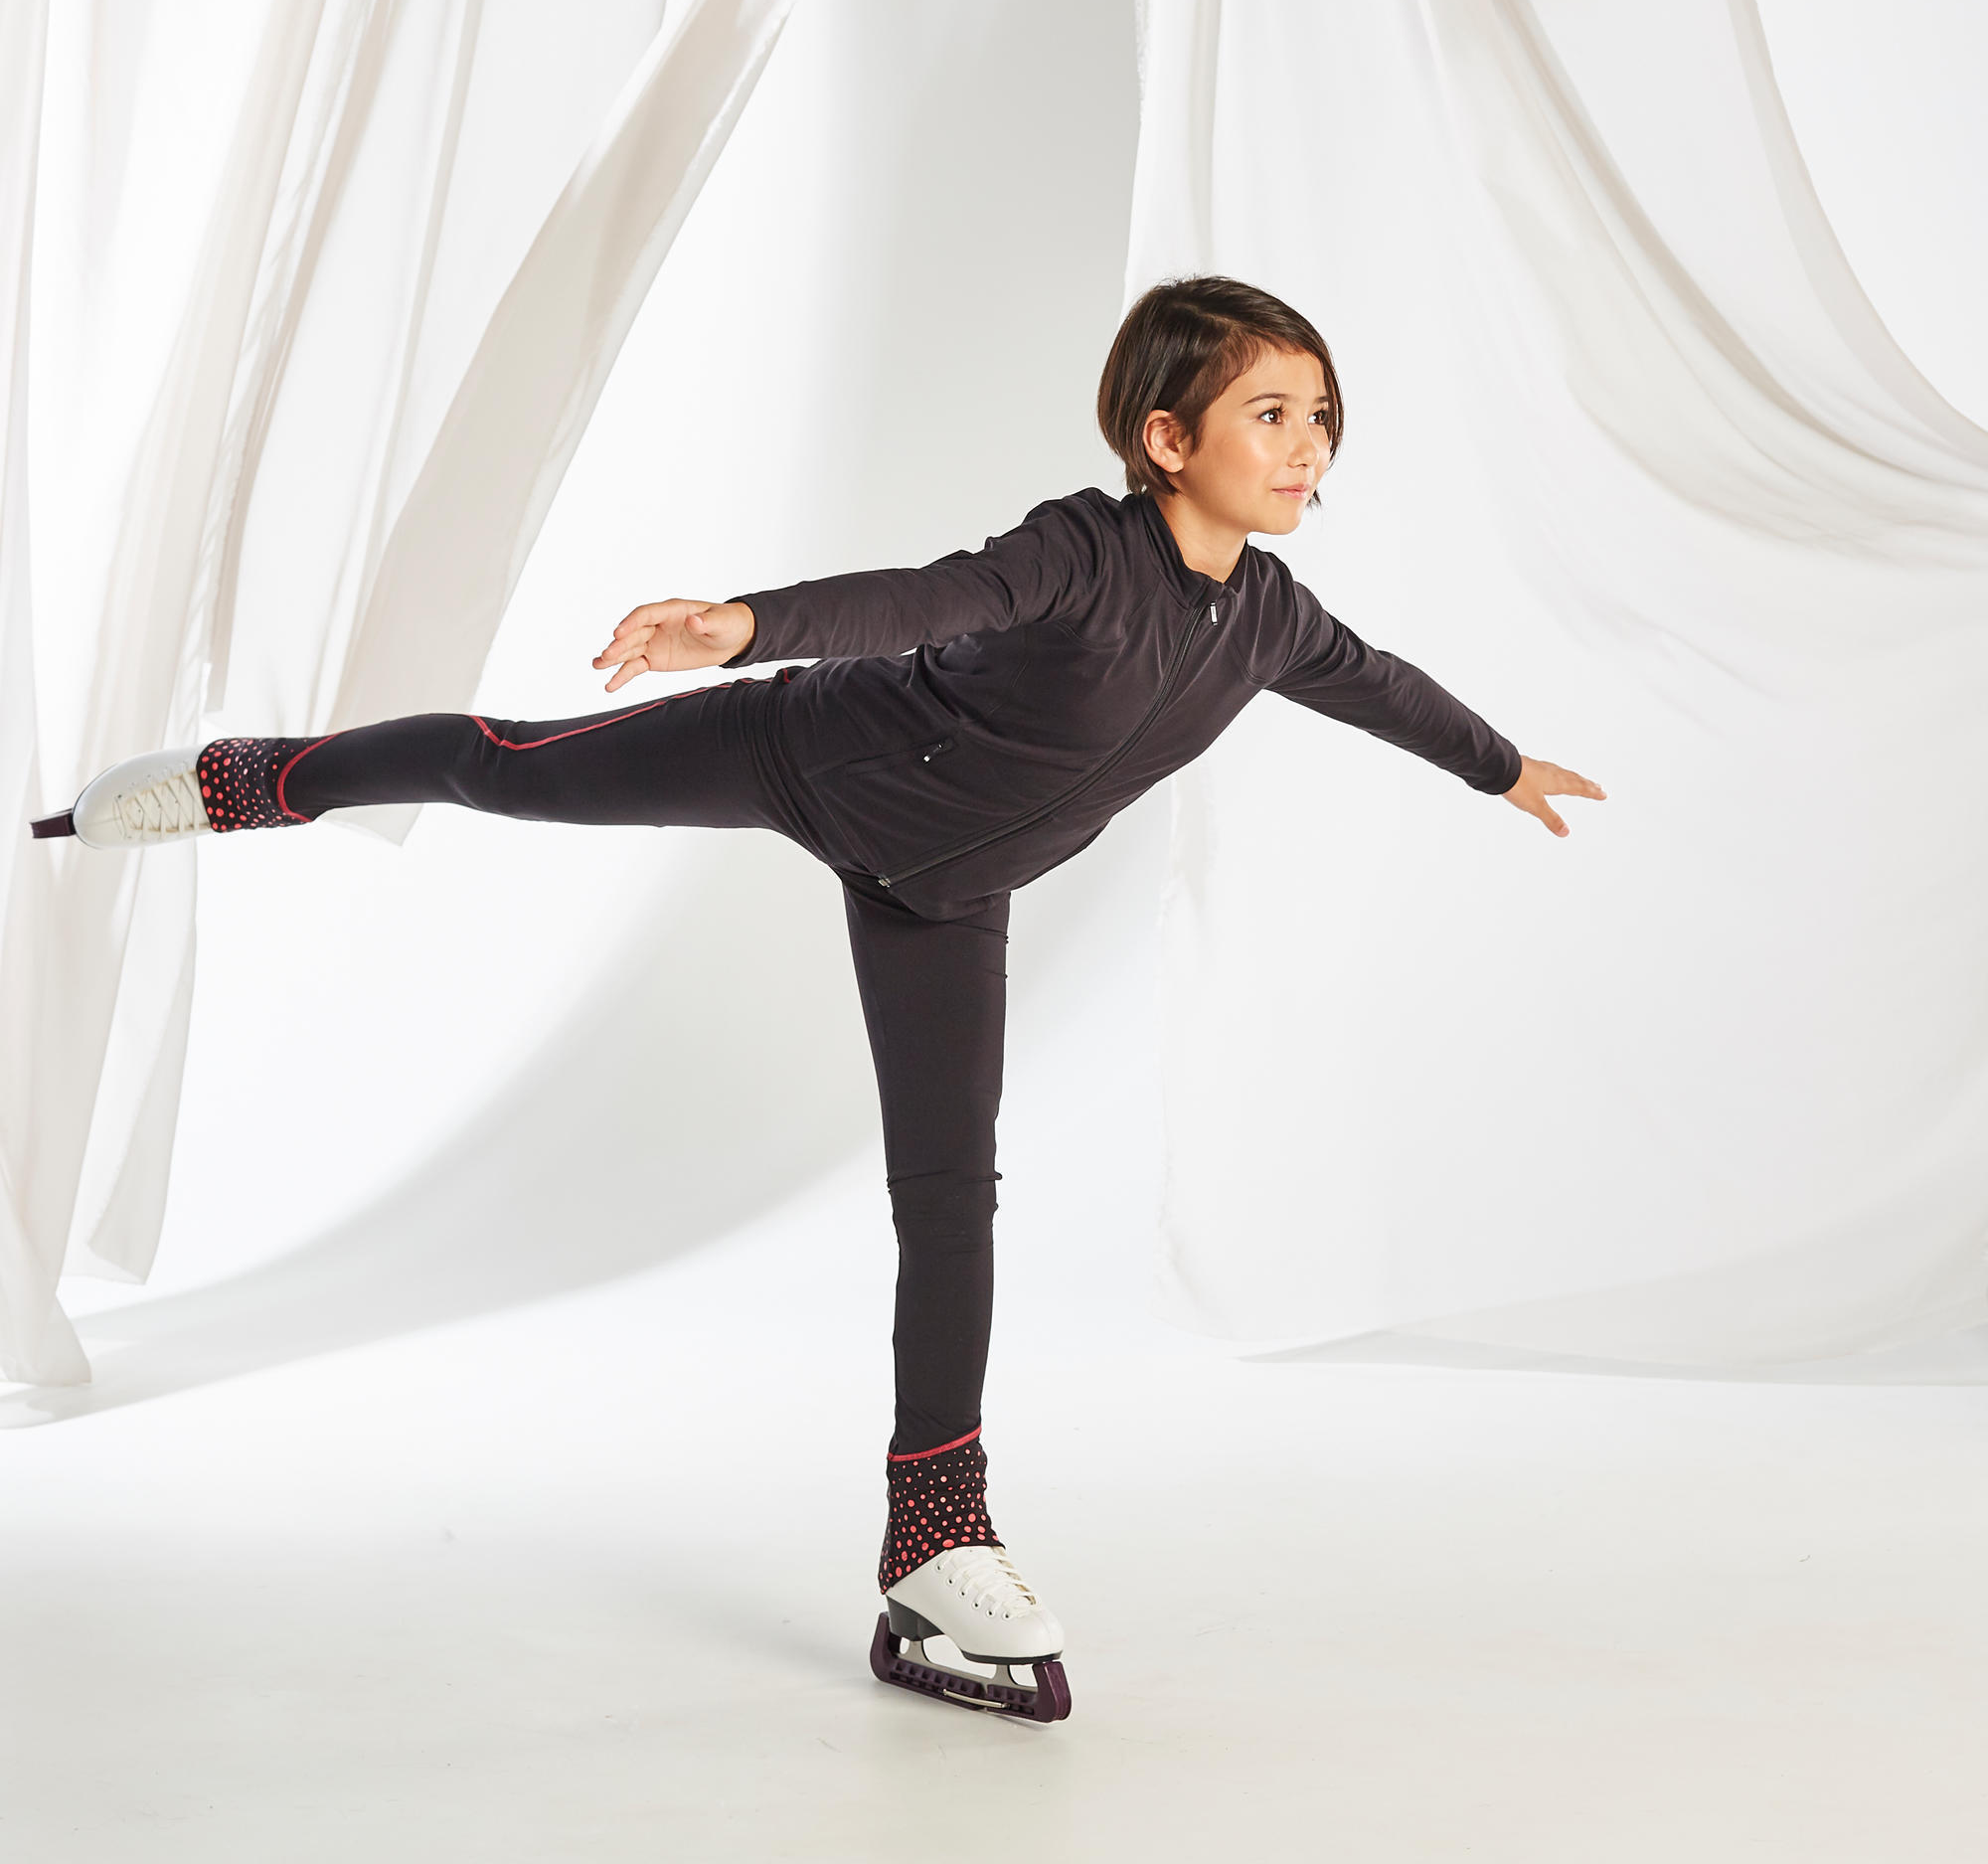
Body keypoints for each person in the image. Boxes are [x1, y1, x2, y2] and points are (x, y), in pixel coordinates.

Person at [35, 276, 1603, 1723]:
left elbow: (1376, 684)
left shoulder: (1268, 618)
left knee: (954, 1201)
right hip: (804, 750)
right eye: (1272, 412)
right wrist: (746, 628)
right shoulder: (1083, 550)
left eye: (1321, 413)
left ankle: (935, 1534)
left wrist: (1500, 765)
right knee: (501, 765)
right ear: (1166, 439)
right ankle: (246, 781)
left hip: (944, 889)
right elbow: (925, 597)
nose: (1310, 443)